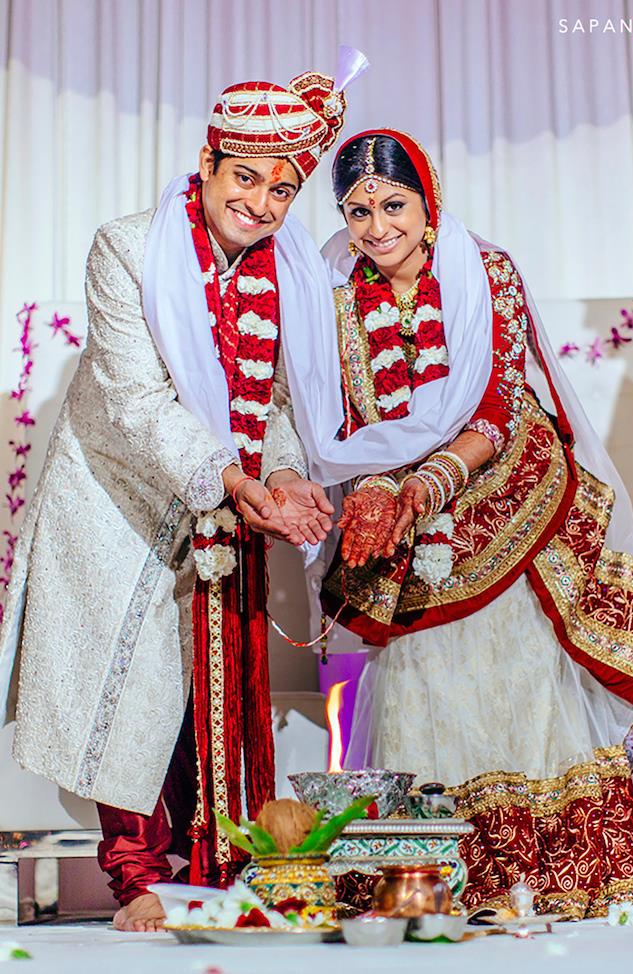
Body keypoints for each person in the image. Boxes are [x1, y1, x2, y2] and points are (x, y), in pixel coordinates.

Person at [0, 51, 368, 931]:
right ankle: (137, 877)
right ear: (206, 163)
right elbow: (136, 400)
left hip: (222, 501)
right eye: (244, 178)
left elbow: (274, 401)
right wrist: (238, 480)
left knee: (211, 680)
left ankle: (225, 862)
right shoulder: (127, 246)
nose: (261, 204)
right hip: (116, 494)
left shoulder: (289, 273)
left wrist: (281, 475)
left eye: (282, 191)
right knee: (124, 683)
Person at [305, 129, 633, 917]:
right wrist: (375, 488)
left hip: (505, 504)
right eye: (357, 210)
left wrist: (427, 483)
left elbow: (495, 402)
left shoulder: (483, 270)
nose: (376, 226)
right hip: (404, 524)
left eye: (394, 204)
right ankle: (437, 880)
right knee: (427, 687)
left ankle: (546, 878)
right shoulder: (330, 290)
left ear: (429, 206)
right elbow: (339, 415)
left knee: (521, 680)